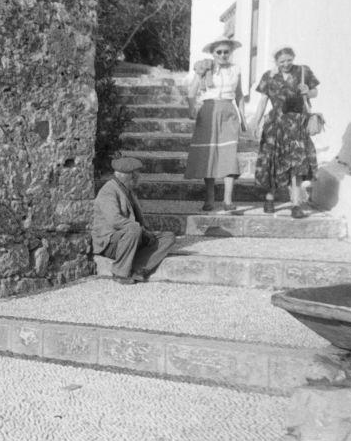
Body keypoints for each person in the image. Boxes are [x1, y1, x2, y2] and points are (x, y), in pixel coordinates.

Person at [250, 46, 319, 218]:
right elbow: (263, 101)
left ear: (293, 58)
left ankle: (295, 205)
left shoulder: (303, 71)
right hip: (276, 125)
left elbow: (315, 92)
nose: (286, 64)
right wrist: (255, 122)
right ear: (276, 62)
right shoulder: (269, 76)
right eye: (282, 61)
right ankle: (269, 199)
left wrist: (308, 92)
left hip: (297, 125)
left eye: (289, 60)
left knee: (296, 165)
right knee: (272, 163)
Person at [185, 38, 247, 212]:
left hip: (228, 112)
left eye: (226, 51)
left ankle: (228, 200)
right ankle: (210, 199)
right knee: (209, 154)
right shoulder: (205, 68)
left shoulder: (236, 69)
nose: (222, 55)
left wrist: (243, 118)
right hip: (209, 112)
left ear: (230, 53)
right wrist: (191, 110)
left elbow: (240, 95)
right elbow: (192, 92)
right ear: (213, 53)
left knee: (229, 154)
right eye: (218, 52)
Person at [92, 157, 176, 285]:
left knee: (168, 237)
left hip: (131, 237)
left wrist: (147, 232)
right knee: (134, 229)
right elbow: (115, 220)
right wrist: (142, 231)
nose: (138, 178)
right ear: (126, 177)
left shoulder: (128, 191)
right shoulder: (108, 191)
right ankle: (120, 273)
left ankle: (138, 269)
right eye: (135, 176)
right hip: (110, 242)